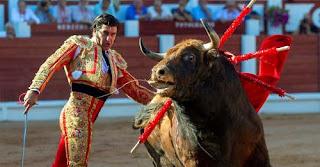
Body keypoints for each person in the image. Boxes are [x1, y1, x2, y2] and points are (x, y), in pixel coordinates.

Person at [23, 14, 154, 166]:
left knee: (62, 163)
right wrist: (34, 89)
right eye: (105, 33)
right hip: (76, 114)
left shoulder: (114, 59)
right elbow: (51, 64)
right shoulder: (79, 45)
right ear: (94, 30)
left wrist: (161, 100)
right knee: (78, 163)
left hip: (89, 118)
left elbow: (133, 89)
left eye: (113, 34)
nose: (109, 39)